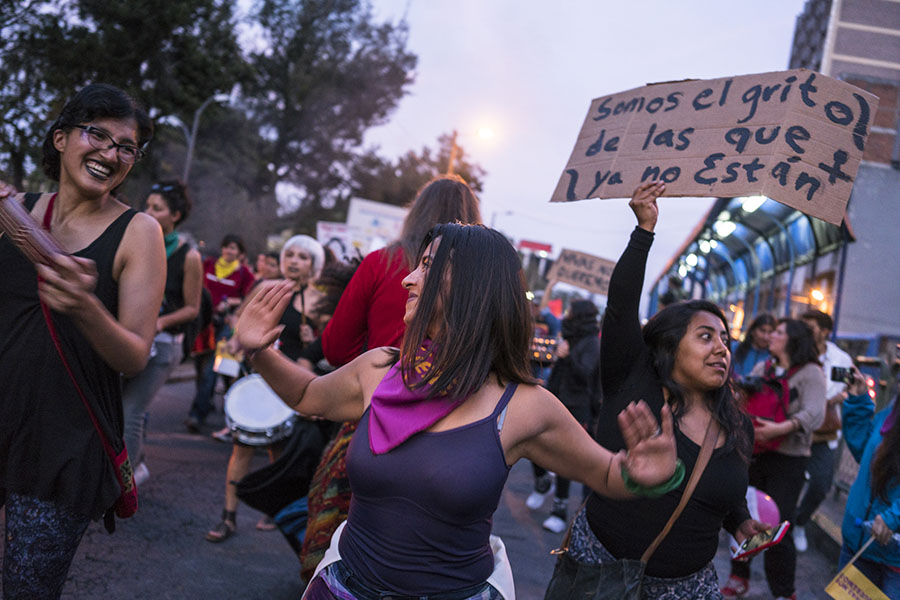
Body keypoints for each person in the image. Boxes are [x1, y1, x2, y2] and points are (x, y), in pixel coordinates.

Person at [235, 222, 680, 599]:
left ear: (473, 286)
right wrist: (260, 351)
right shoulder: (379, 369)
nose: (408, 280)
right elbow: (308, 396)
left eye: (427, 266)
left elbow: (606, 475)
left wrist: (648, 476)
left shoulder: (523, 406)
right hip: (343, 587)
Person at [0, 83, 164, 597]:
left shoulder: (139, 232)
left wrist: (87, 308)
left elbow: (135, 356)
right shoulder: (13, 212)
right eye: (97, 134)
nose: (110, 154)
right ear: (61, 139)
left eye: (126, 147)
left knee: (28, 590)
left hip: (62, 446)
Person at [560, 182, 762, 600]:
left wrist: (741, 522)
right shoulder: (632, 381)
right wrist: (644, 231)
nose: (721, 349)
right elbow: (620, 305)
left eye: (725, 340)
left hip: (687, 588)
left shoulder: (737, 423)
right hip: (599, 576)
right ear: (669, 347)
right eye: (706, 337)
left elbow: (721, 491)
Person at [300, 174, 482, 581]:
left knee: (338, 536)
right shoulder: (481, 283)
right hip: (457, 433)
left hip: (371, 419)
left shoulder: (382, 262)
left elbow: (334, 349)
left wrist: (372, 365)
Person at [206, 235, 326, 542]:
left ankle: (274, 510)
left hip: (290, 384)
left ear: (314, 264)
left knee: (279, 452)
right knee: (242, 447)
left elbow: (326, 347)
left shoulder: (318, 301)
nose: (294, 260)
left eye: (303, 256)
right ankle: (228, 517)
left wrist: (312, 339)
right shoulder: (263, 288)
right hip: (256, 379)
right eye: (291, 254)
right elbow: (240, 324)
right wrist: (234, 343)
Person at [722, 318, 826, 600]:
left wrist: (782, 428)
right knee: (745, 515)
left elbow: (815, 413)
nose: (772, 336)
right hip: (754, 452)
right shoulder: (762, 367)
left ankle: (783, 591)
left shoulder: (811, 373)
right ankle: (739, 576)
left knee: (779, 524)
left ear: (793, 339)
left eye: (779, 332)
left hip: (788, 458)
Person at [122, 180, 202, 486]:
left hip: (164, 345)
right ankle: (136, 464)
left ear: (176, 216)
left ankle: (123, 484)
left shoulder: (189, 255)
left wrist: (160, 323)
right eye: (147, 206)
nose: (149, 212)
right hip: (129, 338)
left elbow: (192, 309)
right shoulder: (137, 243)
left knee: (130, 412)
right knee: (125, 411)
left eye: (158, 208)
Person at [792, 309, 854, 552]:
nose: (806, 331)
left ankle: (799, 521)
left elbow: (849, 386)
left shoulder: (840, 359)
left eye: (811, 327)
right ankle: (775, 529)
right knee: (786, 483)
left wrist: (837, 397)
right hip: (793, 429)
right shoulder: (796, 353)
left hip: (823, 434)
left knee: (820, 484)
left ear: (825, 331)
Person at [540, 299, 601, 533]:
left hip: (577, 406)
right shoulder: (569, 336)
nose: (566, 315)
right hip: (557, 399)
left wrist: (568, 356)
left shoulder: (590, 343)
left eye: (570, 312)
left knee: (564, 456)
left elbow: (586, 373)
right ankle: (542, 481)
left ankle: (560, 510)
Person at [838, 367, 900, 597]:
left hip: (894, 558)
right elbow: (866, 454)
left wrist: (893, 518)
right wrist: (858, 403)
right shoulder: (892, 412)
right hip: (860, 541)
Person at [185, 233, 255, 432]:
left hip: (226, 325)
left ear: (240, 253)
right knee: (203, 367)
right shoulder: (207, 265)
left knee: (215, 369)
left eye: (234, 248)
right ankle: (218, 407)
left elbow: (249, 299)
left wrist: (233, 303)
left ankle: (197, 414)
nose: (229, 251)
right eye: (227, 247)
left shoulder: (245, 274)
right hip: (203, 324)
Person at [525, 295, 563, 512]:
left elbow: (553, 348)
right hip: (517, 375)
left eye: (536, 304)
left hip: (539, 377)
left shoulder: (551, 322)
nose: (533, 307)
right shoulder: (521, 315)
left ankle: (543, 478)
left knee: (531, 431)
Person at [732, 314, 775, 380]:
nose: (766, 337)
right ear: (753, 331)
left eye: (770, 332)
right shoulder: (734, 348)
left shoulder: (772, 357)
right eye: (762, 331)